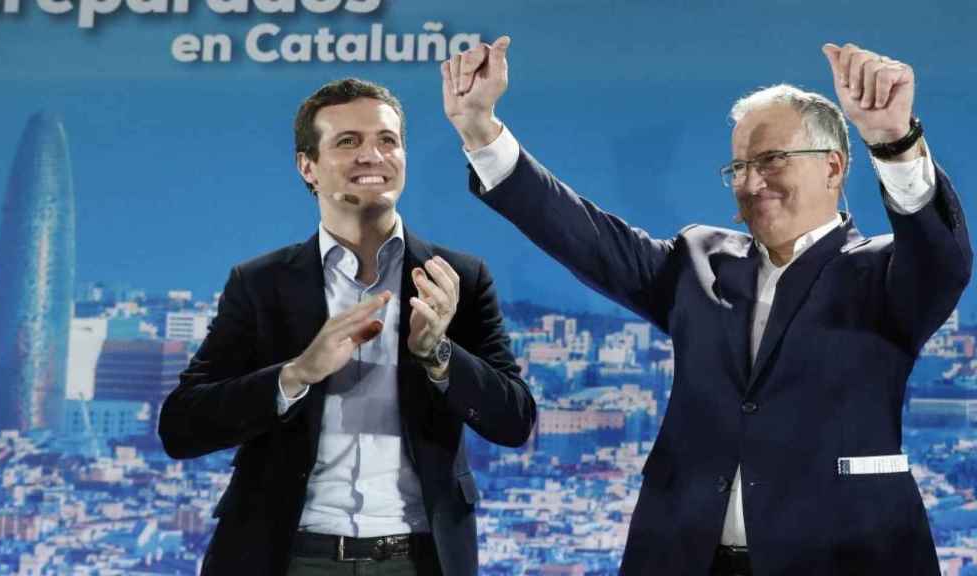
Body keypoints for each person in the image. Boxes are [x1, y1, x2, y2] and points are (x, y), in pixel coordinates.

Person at [440, 37, 971, 575]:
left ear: (833, 167)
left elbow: (940, 257)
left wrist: (893, 142)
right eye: (738, 167)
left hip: (841, 560)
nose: (750, 182)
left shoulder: (883, 274)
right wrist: (481, 132)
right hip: (683, 557)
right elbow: (584, 236)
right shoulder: (699, 260)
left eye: (771, 160)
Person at [159, 77, 536, 576]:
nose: (372, 156)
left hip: (419, 558)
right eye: (347, 142)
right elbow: (182, 427)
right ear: (307, 167)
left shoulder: (458, 278)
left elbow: (514, 421)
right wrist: (296, 374)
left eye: (387, 140)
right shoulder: (260, 284)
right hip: (285, 555)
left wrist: (438, 354)